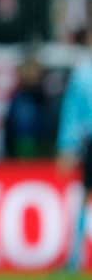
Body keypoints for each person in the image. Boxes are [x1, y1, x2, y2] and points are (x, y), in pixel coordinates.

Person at [57, 42, 92, 271]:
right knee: (83, 198)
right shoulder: (84, 73)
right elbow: (73, 112)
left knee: (84, 199)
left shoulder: (83, 73)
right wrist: (68, 145)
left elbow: (73, 112)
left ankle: (74, 259)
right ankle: (74, 259)